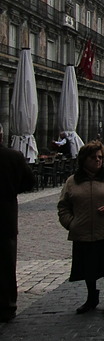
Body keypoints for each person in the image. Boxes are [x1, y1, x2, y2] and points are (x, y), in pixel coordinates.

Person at [57, 141, 104, 315]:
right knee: (88, 268)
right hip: (82, 232)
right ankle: (91, 298)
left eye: (100, 157)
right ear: (84, 159)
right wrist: (70, 223)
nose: (98, 160)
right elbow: (63, 206)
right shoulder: (72, 181)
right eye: (93, 157)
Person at [0, 123, 36, 323]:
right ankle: (7, 306)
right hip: (5, 218)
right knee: (6, 263)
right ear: (1, 137)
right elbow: (30, 182)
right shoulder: (14, 157)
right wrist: (13, 189)